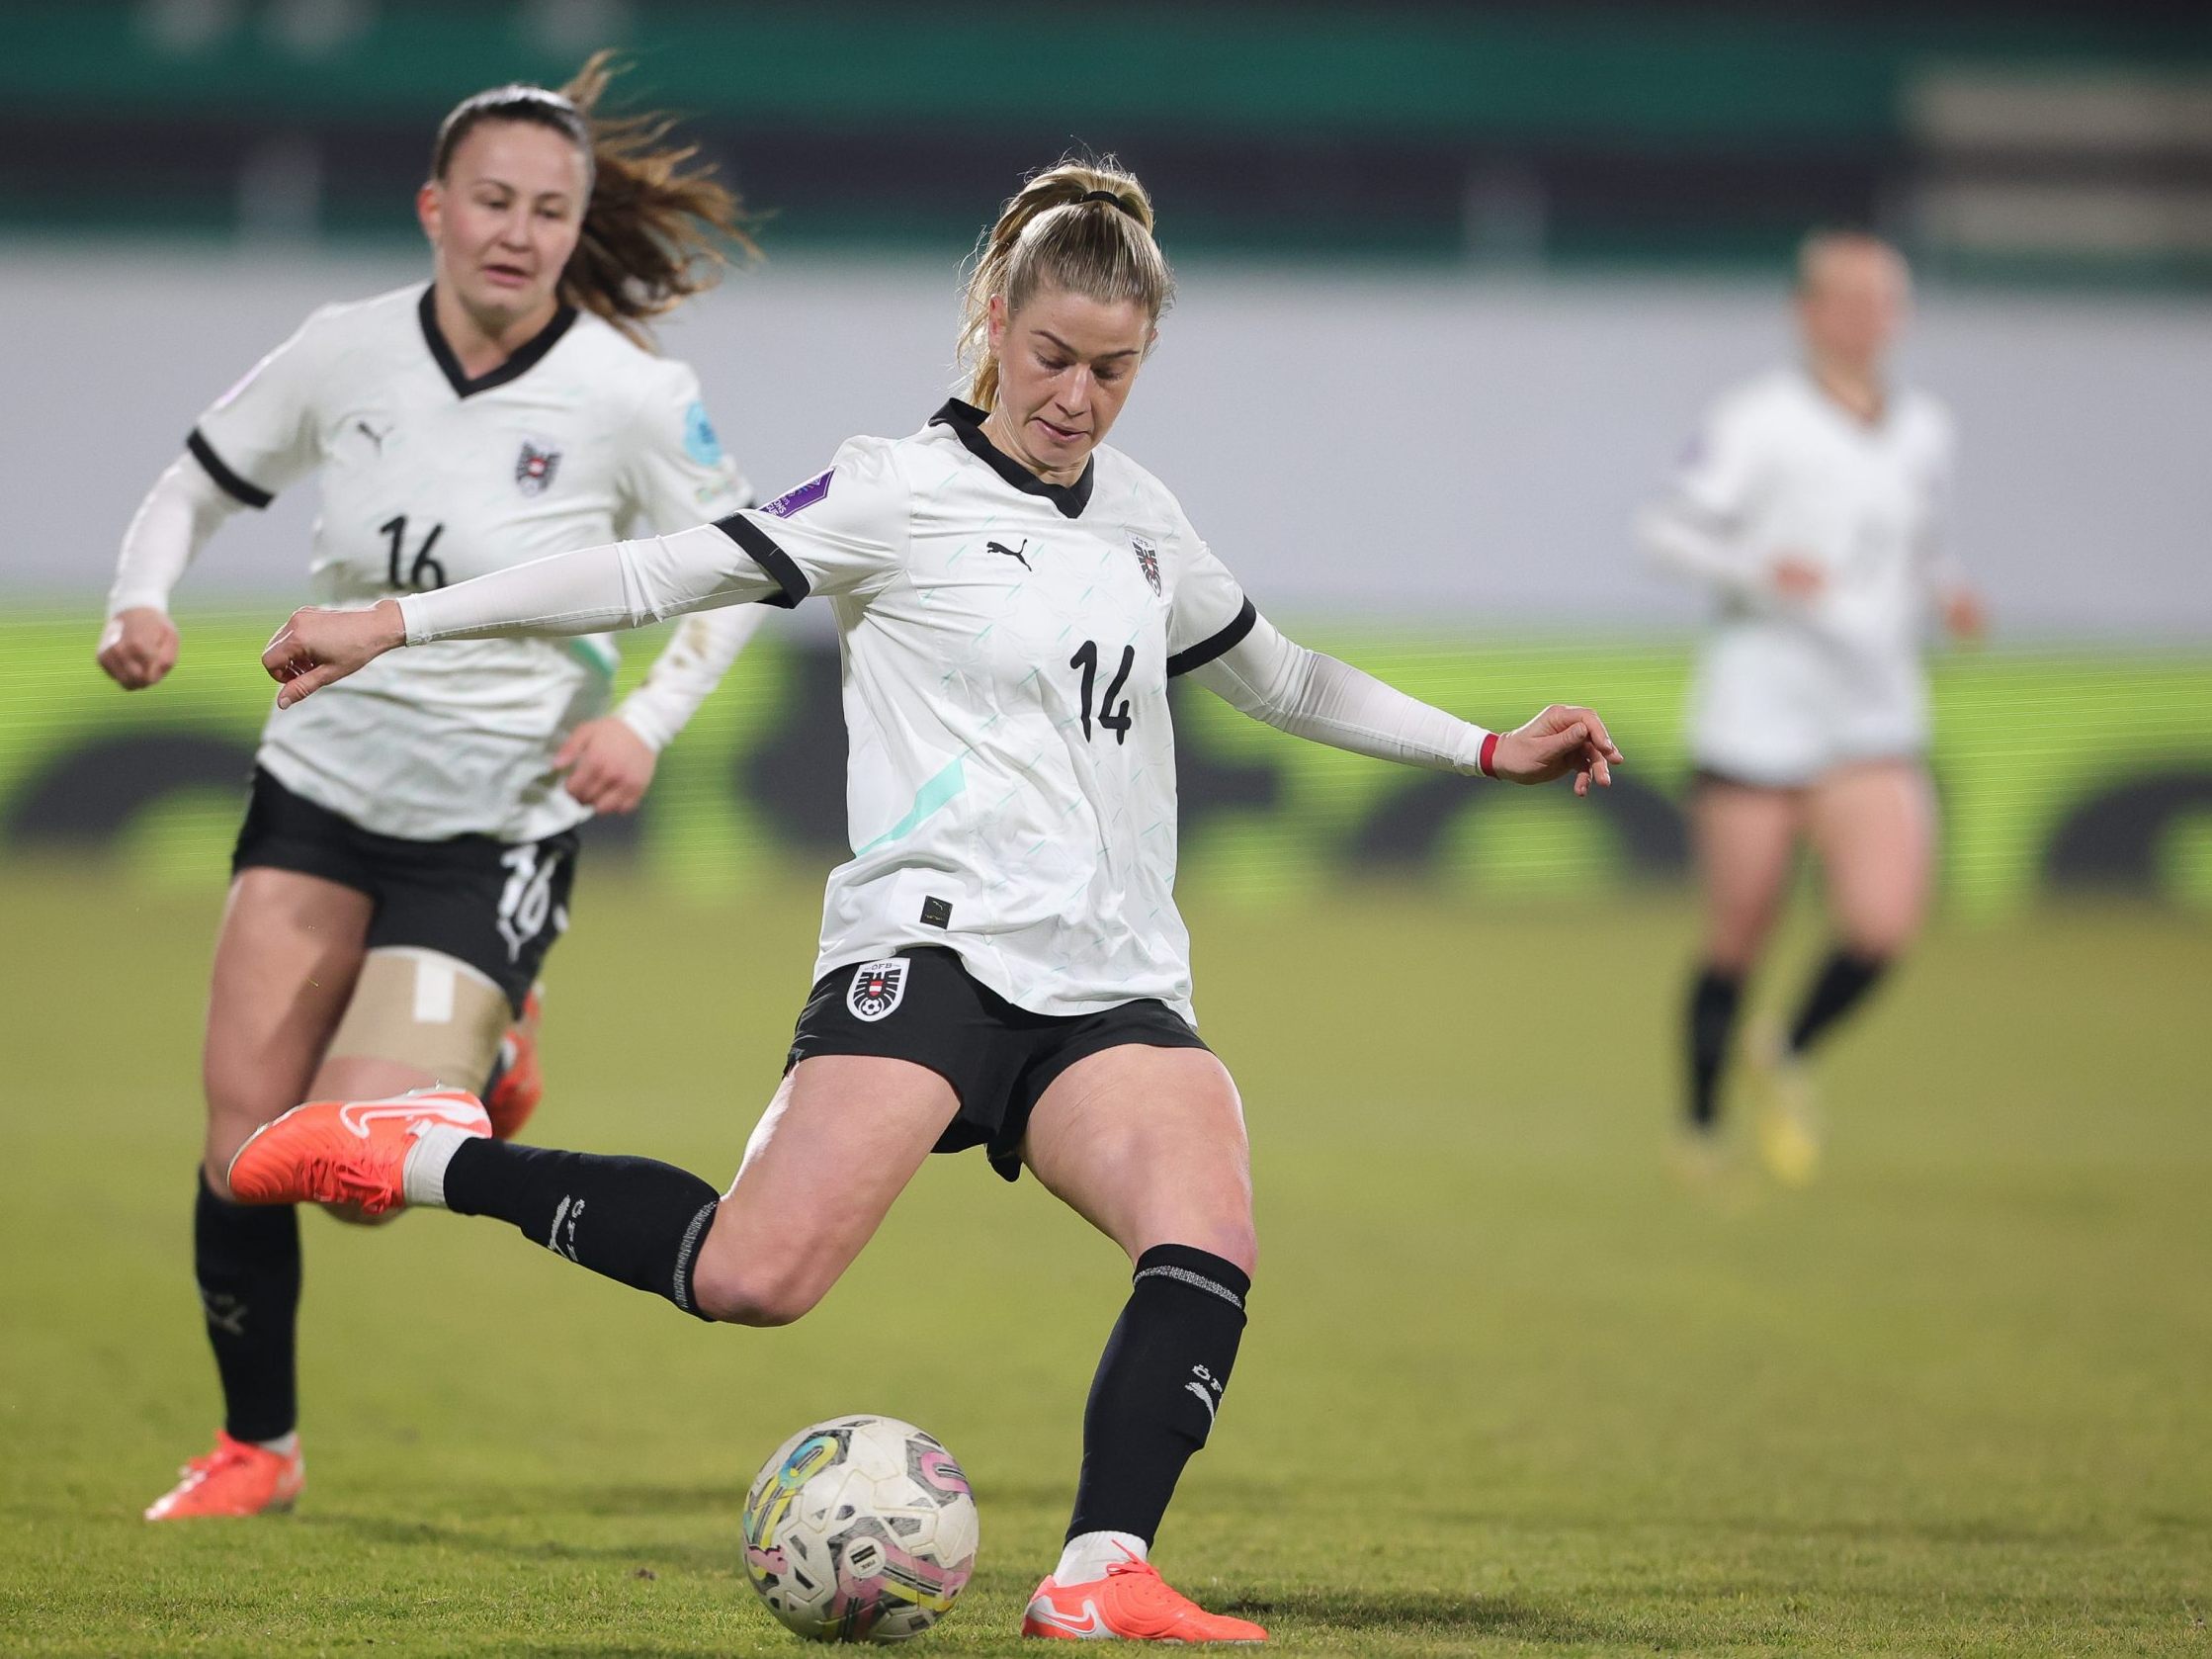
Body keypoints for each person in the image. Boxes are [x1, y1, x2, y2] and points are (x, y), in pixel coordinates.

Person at [229, 157, 1625, 1642]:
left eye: (1113, 369)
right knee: (754, 1275)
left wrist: (1482, 749)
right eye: (1050, 358)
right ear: (992, 321)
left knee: (1205, 1224)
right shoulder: (893, 492)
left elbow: (1276, 673)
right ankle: (430, 1149)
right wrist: (398, 619)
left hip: (1109, 982)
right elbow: (653, 573)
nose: (1076, 397)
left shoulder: (1143, 517)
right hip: (934, 954)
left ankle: (1100, 1570)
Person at [105, 56, 770, 1521]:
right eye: (492, 200)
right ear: (433, 207)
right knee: (244, 1155)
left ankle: (491, 1033)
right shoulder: (343, 350)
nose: (518, 231)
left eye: (549, 208)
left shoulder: (631, 396)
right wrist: (140, 599)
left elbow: (737, 571)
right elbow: (196, 481)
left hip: (492, 822)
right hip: (319, 790)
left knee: (357, 1172)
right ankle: (255, 1448)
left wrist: (649, 719)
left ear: (575, 226)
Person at [1640, 230, 1985, 1187]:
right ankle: (1701, 1127)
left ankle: (1782, 1051)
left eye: (1886, 300)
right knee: (1741, 926)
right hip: (1760, 712)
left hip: (1873, 713)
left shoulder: (1926, 430)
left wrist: (1948, 588)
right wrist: (1759, 567)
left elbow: (1913, 547)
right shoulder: (1756, 420)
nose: (1871, 317)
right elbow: (1665, 528)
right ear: (1809, 310)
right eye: (1851, 298)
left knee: (1880, 927)